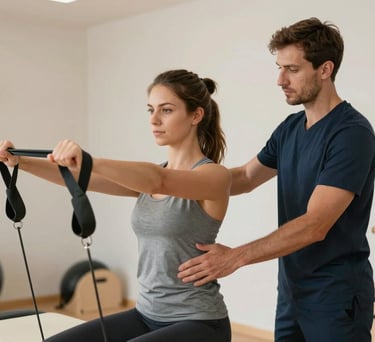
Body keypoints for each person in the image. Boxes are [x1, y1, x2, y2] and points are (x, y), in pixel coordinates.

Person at [178, 17, 375, 341]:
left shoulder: (351, 134)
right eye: (279, 67)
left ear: (325, 70)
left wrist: (235, 257)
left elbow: (315, 224)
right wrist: (170, 182)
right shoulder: (290, 128)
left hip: (335, 295)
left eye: (292, 69)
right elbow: (243, 177)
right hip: (291, 291)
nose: (280, 79)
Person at [0, 69, 232, 342]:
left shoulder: (214, 177)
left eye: (166, 110)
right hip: (145, 314)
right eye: (150, 110)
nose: (154, 120)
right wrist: (19, 162)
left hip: (199, 322)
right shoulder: (150, 178)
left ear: (196, 115)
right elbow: (80, 178)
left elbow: (161, 181)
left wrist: (89, 159)